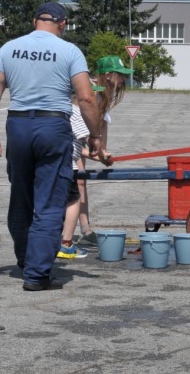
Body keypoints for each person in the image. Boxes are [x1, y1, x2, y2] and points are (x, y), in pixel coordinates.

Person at [0, 1, 103, 291]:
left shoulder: (8, 48)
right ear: (62, 24)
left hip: (19, 126)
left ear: (34, 20)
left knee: (21, 198)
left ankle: (26, 262)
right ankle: (37, 274)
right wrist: (95, 135)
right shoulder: (70, 51)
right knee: (50, 201)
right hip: (52, 126)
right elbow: (86, 98)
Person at [58, 55, 132, 257]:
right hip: (74, 137)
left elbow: (102, 124)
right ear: (108, 75)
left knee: (79, 183)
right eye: (121, 75)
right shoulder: (89, 90)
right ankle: (73, 234)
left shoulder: (107, 93)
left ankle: (84, 229)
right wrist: (96, 152)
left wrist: (103, 152)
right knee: (77, 182)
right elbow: (81, 120)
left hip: (84, 139)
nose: (124, 79)